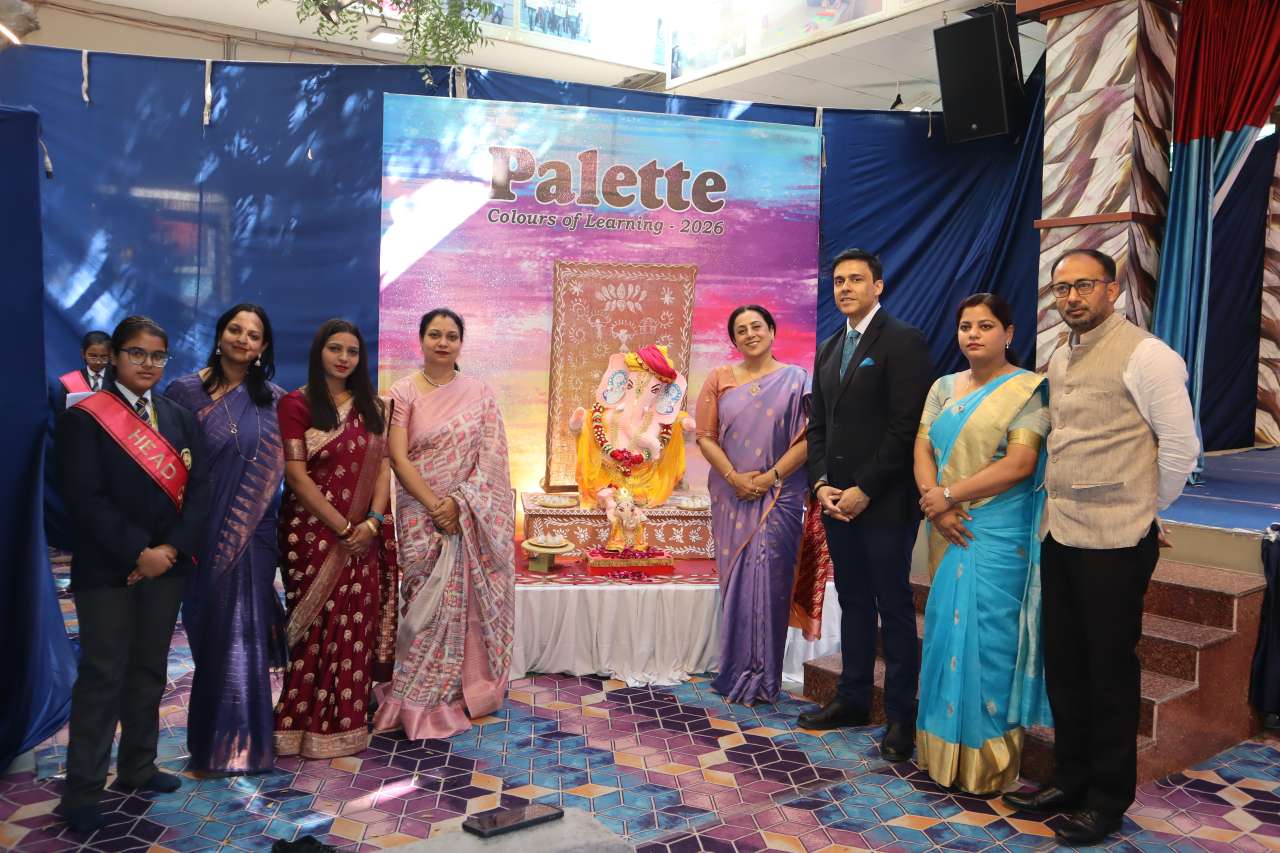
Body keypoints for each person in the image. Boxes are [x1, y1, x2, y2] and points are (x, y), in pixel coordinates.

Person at [1003, 249, 1198, 845]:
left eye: (1083, 286)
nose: (1071, 298)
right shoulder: (1062, 354)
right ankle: (1070, 778)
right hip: (1061, 531)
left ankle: (1108, 799)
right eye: (1061, 289)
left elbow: (1180, 447)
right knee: (1065, 665)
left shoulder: (1148, 355)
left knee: (1109, 670)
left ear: (1112, 290)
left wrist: (1147, 509)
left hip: (1117, 538)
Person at [55, 316, 210, 834]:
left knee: (149, 669)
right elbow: (83, 498)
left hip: (167, 566)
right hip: (108, 569)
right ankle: (82, 791)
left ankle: (138, 765)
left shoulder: (179, 417)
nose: (148, 364)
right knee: (103, 675)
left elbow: (200, 491)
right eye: (137, 353)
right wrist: (137, 552)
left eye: (157, 355)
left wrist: (169, 549)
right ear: (116, 357)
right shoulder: (85, 418)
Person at [912, 293, 1052, 794]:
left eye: (986, 325)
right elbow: (922, 447)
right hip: (945, 524)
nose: (973, 334)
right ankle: (939, 754)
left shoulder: (1027, 389)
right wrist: (936, 503)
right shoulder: (943, 387)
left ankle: (986, 764)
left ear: (1008, 333)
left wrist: (948, 496)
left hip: (994, 532)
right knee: (944, 635)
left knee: (991, 642)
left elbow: (1020, 464)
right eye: (966, 326)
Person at [799, 248, 933, 765]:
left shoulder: (903, 340)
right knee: (853, 601)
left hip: (885, 502)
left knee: (893, 607)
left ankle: (901, 716)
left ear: (878, 286)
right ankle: (853, 698)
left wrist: (865, 488)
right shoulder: (830, 346)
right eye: (839, 281)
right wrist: (821, 484)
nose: (846, 288)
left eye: (856, 279)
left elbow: (906, 426)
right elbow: (818, 426)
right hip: (837, 502)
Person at [373, 309, 515, 740]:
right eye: (434, 334)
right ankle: (412, 691)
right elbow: (398, 457)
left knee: (457, 603)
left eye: (451, 336)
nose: (442, 342)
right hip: (419, 512)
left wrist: (459, 504)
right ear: (421, 340)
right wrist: (437, 505)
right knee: (421, 601)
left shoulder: (480, 393)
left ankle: (451, 690)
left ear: (460, 343)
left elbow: (491, 461)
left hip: (463, 511)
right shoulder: (402, 392)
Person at [164, 304, 286, 775]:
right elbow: (169, 468)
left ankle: (245, 748)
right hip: (199, 536)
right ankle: (209, 744)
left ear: (263, 347)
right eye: (235, 330)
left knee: (245, 638)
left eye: (253, 335)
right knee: (211, 637)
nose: (243, 339)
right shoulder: (183, 392)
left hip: (254, 537)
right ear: (220, 336)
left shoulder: (275, 401)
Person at [274, 319, 397, 760]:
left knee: (353, 627)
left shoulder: (374, 407)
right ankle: (296, 724)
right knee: (311, 629)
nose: (344, 358)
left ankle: (345, 722)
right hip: (311, 534)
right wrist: (344, 529)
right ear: (319, 352)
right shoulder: (296, 404)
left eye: (352, 351)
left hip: (364, 535)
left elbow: (382, 467)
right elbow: (296, 476)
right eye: (335, 349)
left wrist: (373, 522)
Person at [695, 305, 809, 705]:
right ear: (734, 340)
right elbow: (705, 436)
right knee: (738, 580)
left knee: (771, 580)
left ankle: (764, 676)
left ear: (772, 331)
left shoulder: (797, 379)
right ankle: (735, 670)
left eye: (756, 326)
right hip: (732, 496)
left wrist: (770, 477)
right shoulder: (719, 378)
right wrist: (734, 477)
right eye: (740, 330)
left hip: (778, 496)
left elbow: (809, 439)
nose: (749, 334)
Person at [46, 331, 115, 551]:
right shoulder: (69, 382)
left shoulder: (119, 380)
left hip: (112, 451)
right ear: (83, 354)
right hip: (79, 453)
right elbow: (60, 417)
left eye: (103, 357)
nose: (98, 361)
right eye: (93, 356)